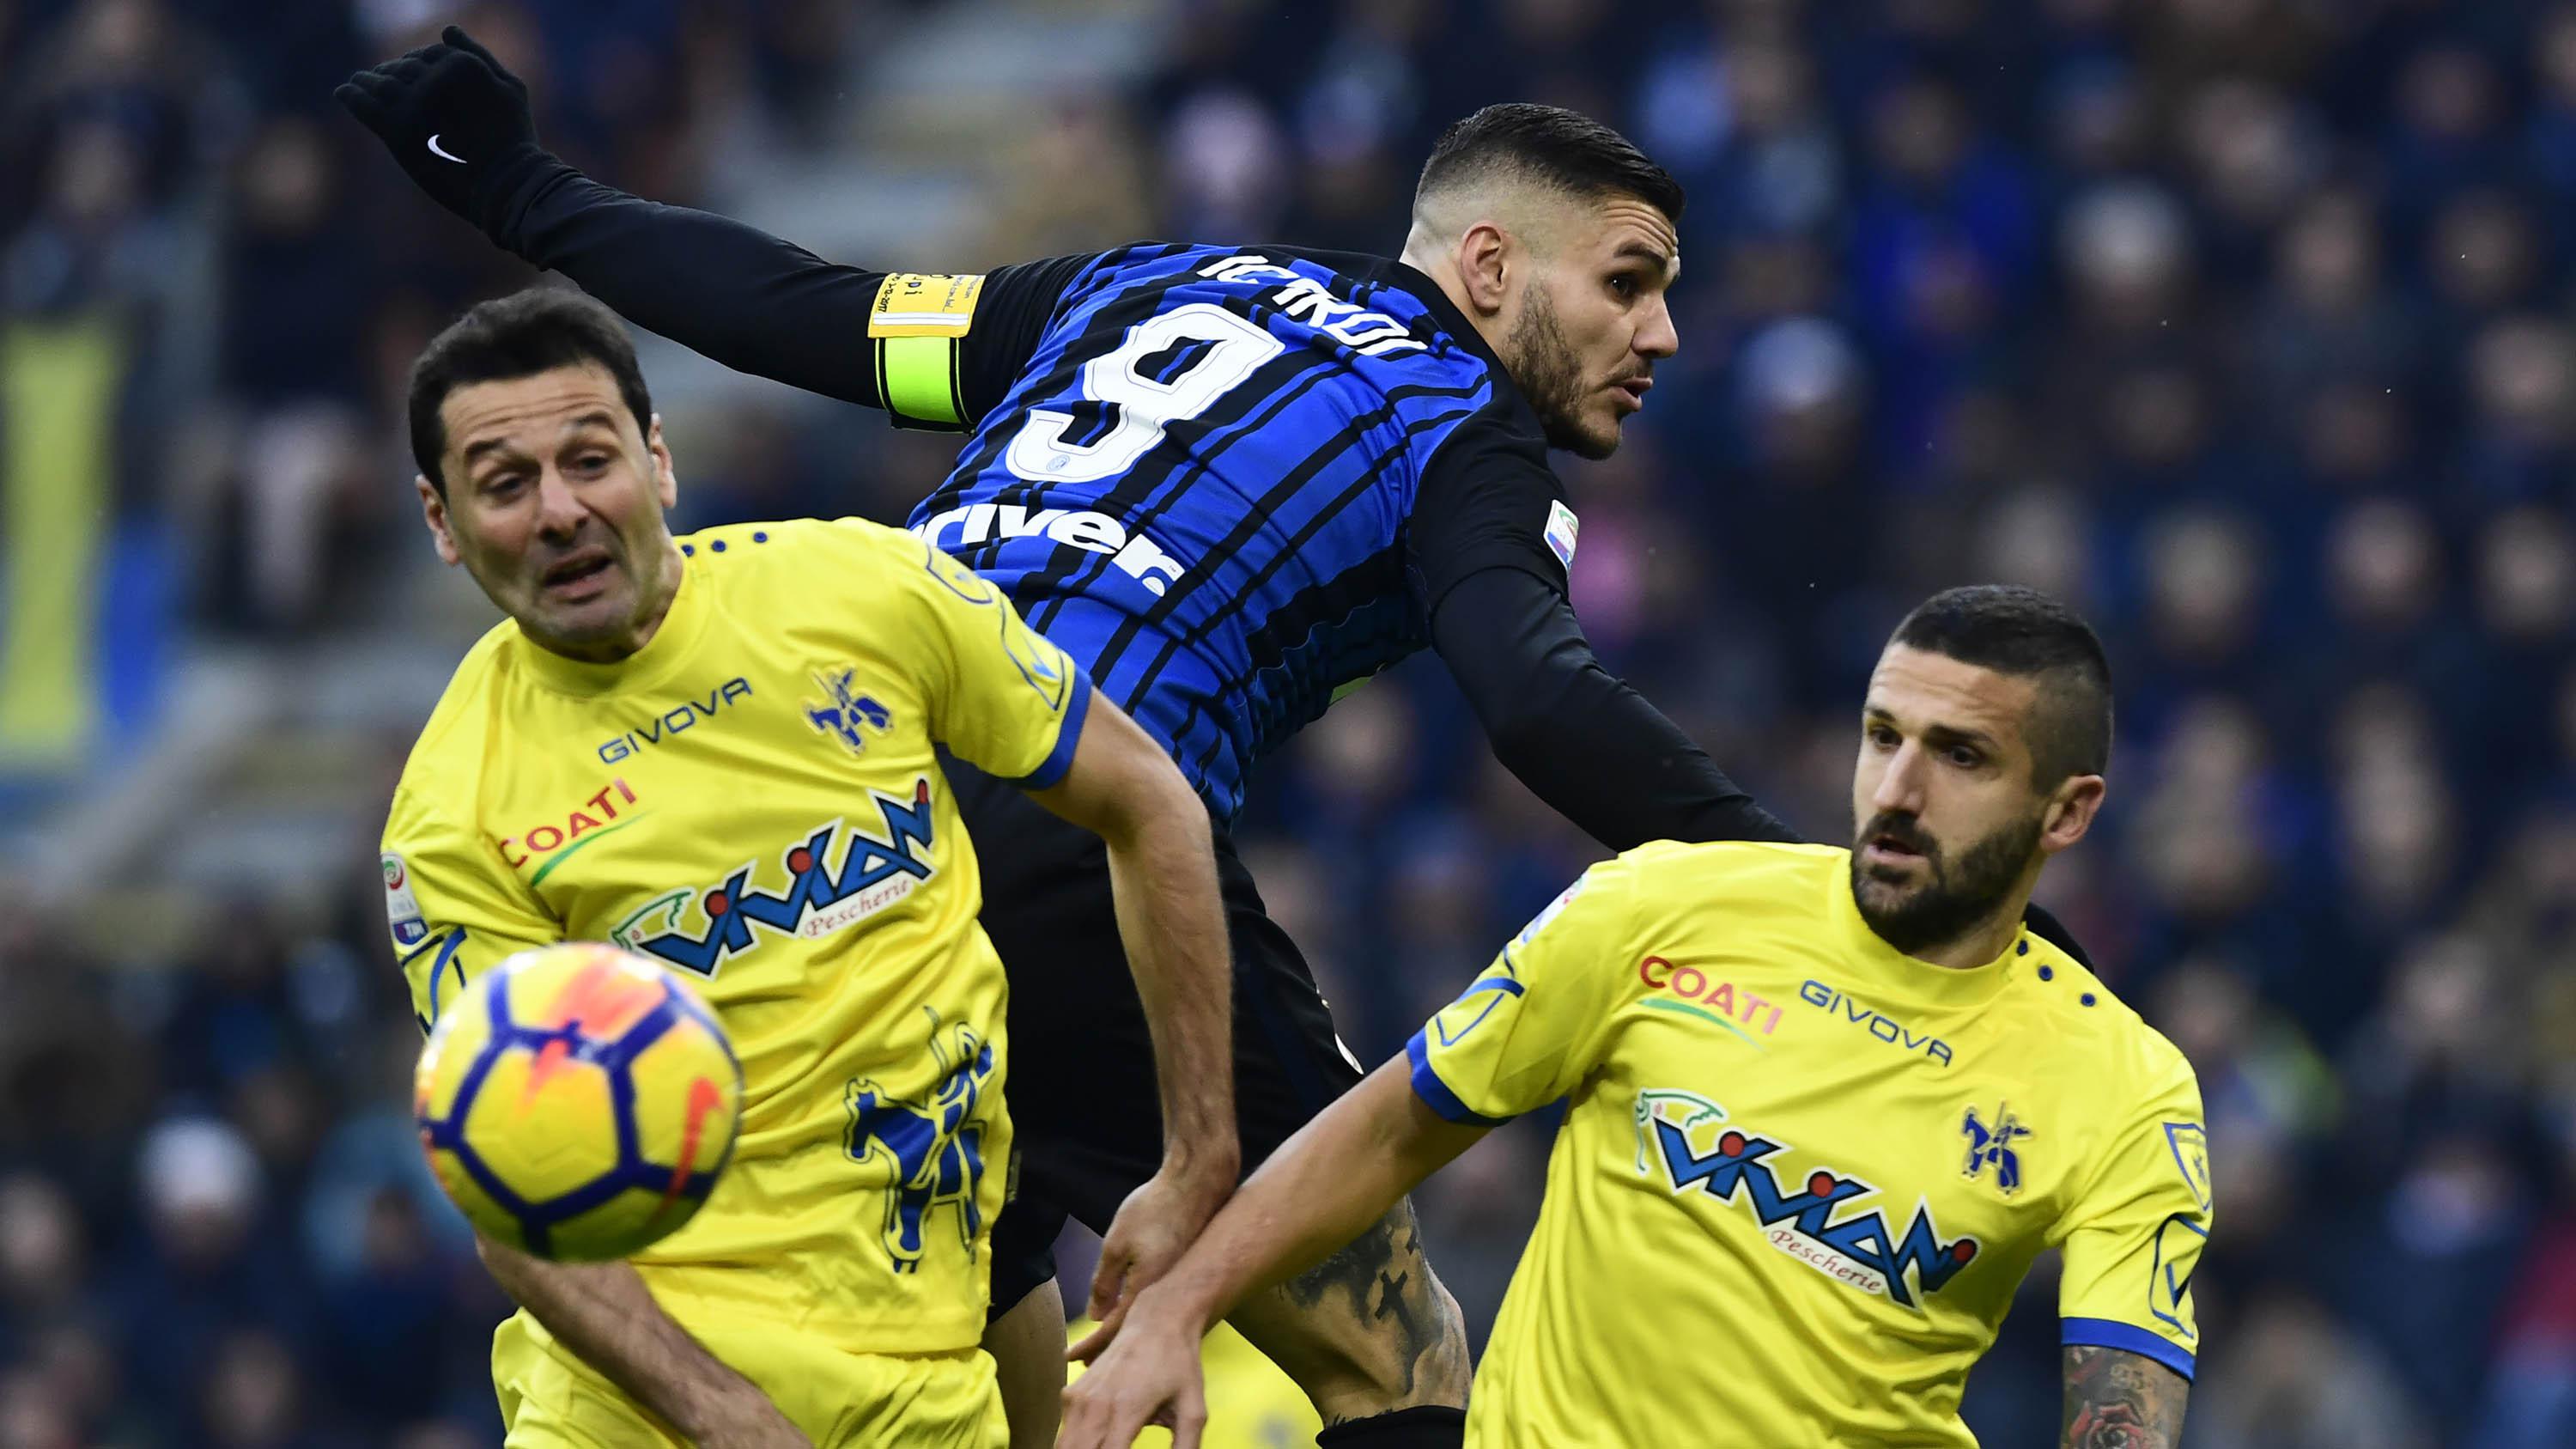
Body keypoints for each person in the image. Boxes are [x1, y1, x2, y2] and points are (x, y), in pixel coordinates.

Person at [338, 33, 2093, 1447]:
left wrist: (521, 188)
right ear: (1489, 267)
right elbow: (1540, 699)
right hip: (1079, 831)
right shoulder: (1456, 424)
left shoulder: (1155, 280)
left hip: (847, 823)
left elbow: (824, 318)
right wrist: (1852, 895)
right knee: (1396, 1372)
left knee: (1010, 1368)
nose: (1663, 333)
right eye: (1628, 284)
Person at [1061, 586, 2212, 1449]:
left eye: (1961, 757)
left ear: (2067, 813)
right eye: (1881, 736)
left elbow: (2121, 1401)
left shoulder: (2124, 1086)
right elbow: (1389, 1131)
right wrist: (1183, 1304)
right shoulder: (1666, 901)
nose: (1898, 792)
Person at [380, 286, 1230, 1447]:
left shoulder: (859, 593)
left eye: (591, 460)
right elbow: (510, 1192)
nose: (561, 511)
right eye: (505, 484)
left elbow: (1150, 803)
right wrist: (720, 1413)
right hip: (637, 1413)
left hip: (921, 1384)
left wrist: (1199, 1153)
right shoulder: (453, 813)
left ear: (659, 461)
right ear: (441, 520)